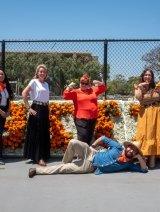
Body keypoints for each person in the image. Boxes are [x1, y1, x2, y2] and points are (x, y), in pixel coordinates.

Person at [28, 136, 148, 178]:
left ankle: (37, 171)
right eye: (130, 147)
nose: (131, 150)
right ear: (127, 146)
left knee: (63, 169)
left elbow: (144, 169)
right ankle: (65, 162)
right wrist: (93, 146)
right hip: (92, 153)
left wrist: (139, 156)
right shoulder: (117, 147)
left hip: (90, 166)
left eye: (134, 151)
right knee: (73, 142)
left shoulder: (129, 164)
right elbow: (103, 138)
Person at [63, 73, 106, 145]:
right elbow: (65, 95)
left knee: (89, 137)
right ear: (80, 83)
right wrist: (69, 87)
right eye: (82, 83)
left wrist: (99, 83)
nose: (84, 85)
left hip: (92, 118)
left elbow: (103, 88)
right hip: (81, 119)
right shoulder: (76, 92)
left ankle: (87, 155)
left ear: (89, 84)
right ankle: (81, 155)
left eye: (86, 83)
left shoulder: (93, 90)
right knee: (82, 137)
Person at [22, 64, 50, 166]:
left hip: (45, 109)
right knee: (38, 133)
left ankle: (41, 155)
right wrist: (29, 108)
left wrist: (48, 109)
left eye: (44, 71)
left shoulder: (46, 84)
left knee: (44, 132)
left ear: (46, 73)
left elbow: (46, 98)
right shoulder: (34, 82)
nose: (42, 73)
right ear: (37, 73)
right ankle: (39, 158)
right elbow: (24, 93)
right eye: (40, 71)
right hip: (36, 108)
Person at [134, 68, 160, 168]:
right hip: (144, 114)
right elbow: (139, 98)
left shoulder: (156, 87)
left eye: (149, 75)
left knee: (154, 133)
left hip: (155, 113)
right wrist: (140, 87)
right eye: (146, 75)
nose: (147, 77)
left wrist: (147, 100)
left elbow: (157, 97)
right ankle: (143, 158)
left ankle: (153, 158)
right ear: (143, 76)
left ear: (152, 77)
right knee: (144, 134)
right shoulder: (138, 87)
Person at [0, 68, 13, 165]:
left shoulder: (5, 86)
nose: (1, 76)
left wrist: (8, 110)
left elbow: (8, 100)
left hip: (4, 111)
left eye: (2, 74)